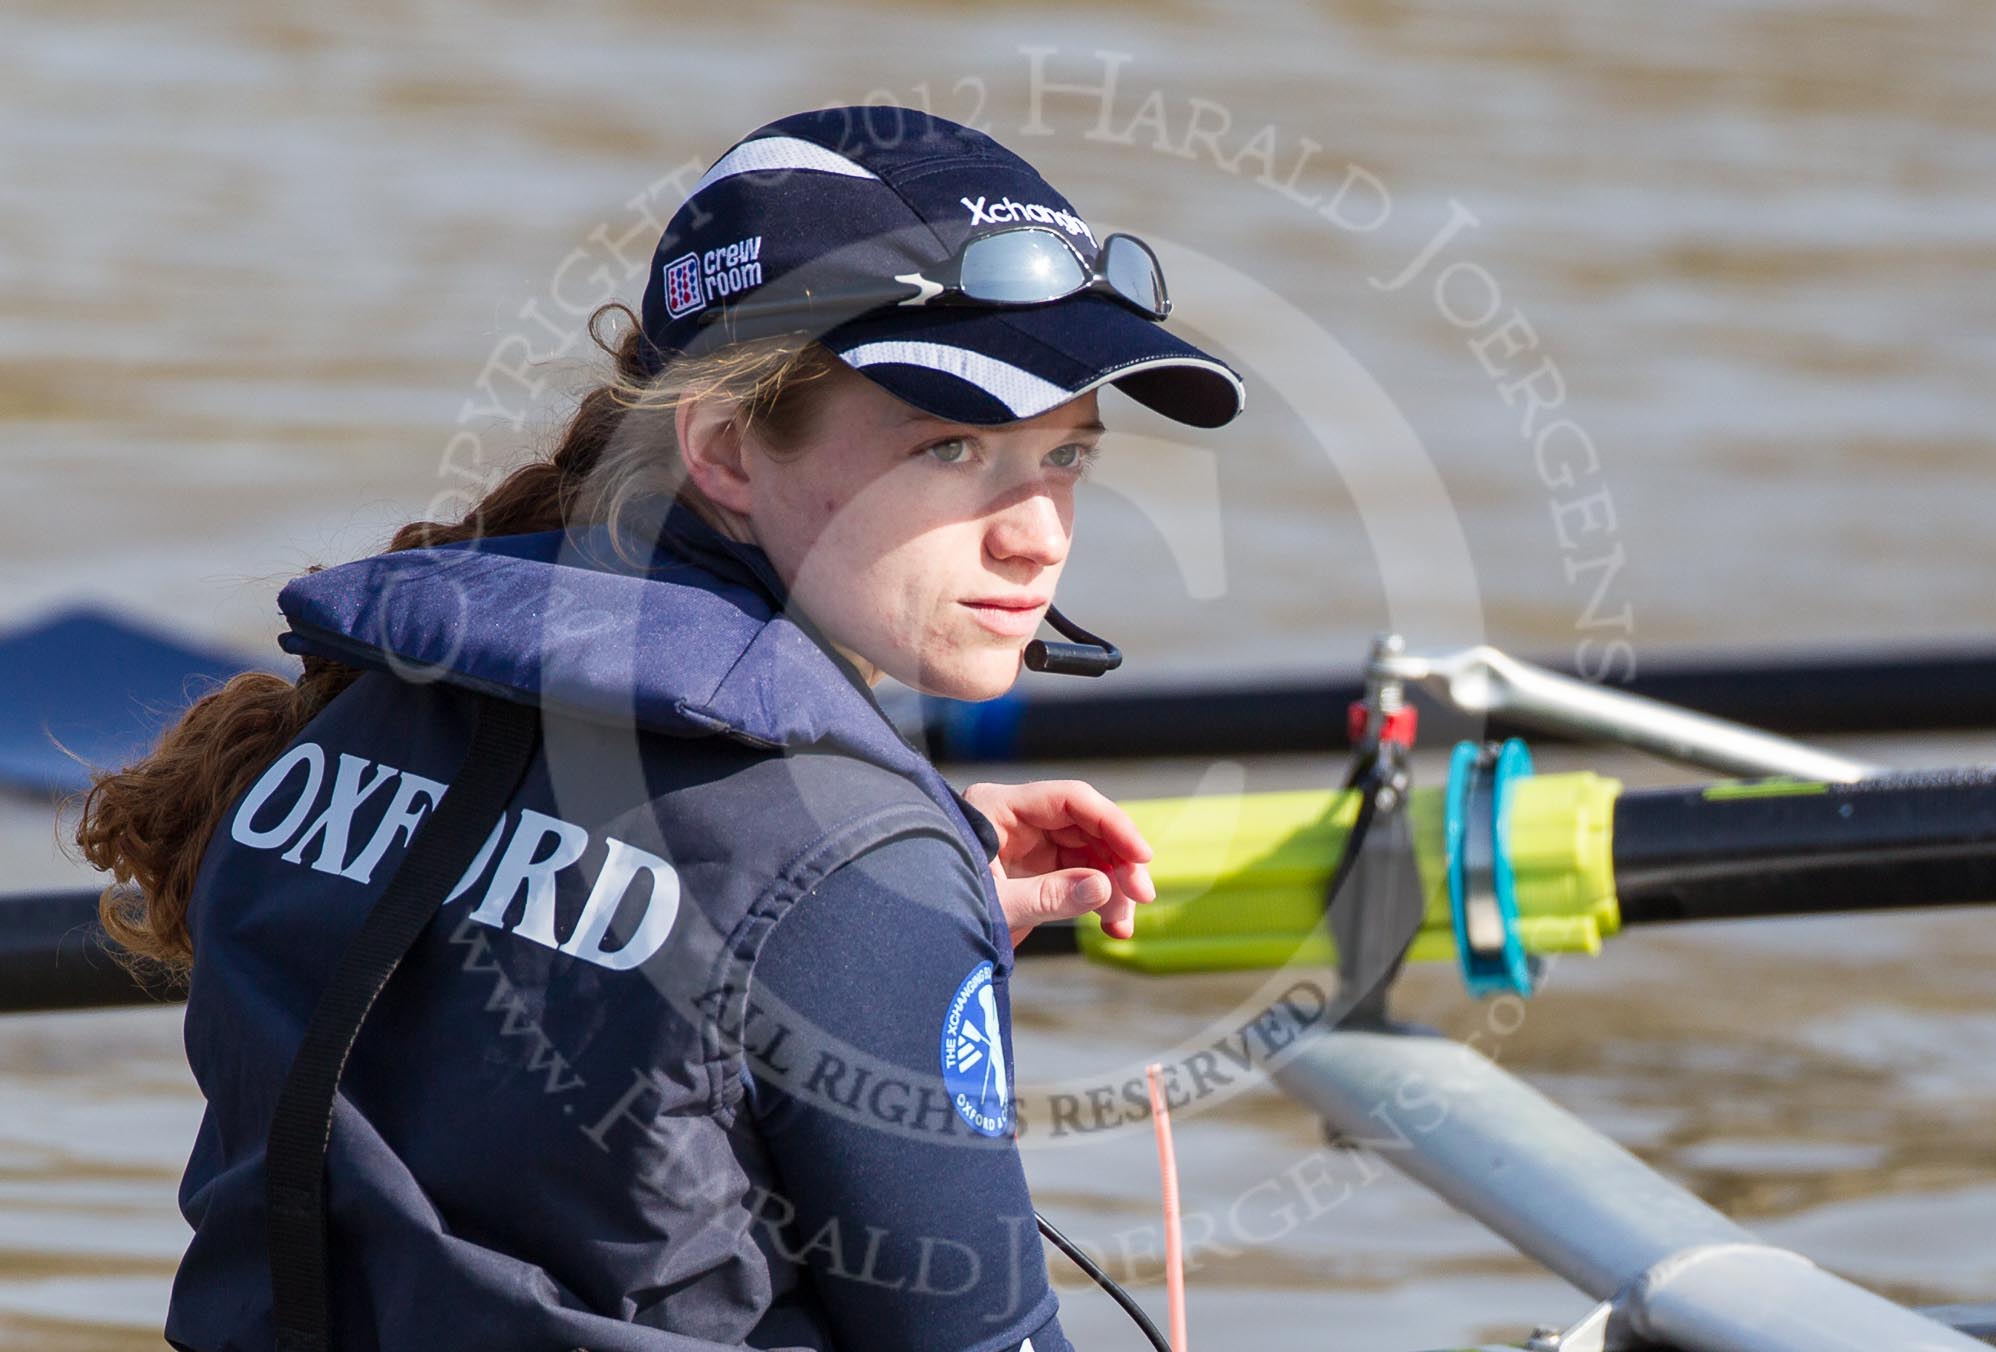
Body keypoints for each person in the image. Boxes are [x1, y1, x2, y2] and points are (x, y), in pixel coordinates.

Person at [75, 106, 1244, 1352]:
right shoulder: (848, 867)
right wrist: (872, 899)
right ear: (728, 448)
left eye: (1066, 455)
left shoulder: (364, 713)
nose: (1037, 534)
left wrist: (880, 891)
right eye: (953, 445)